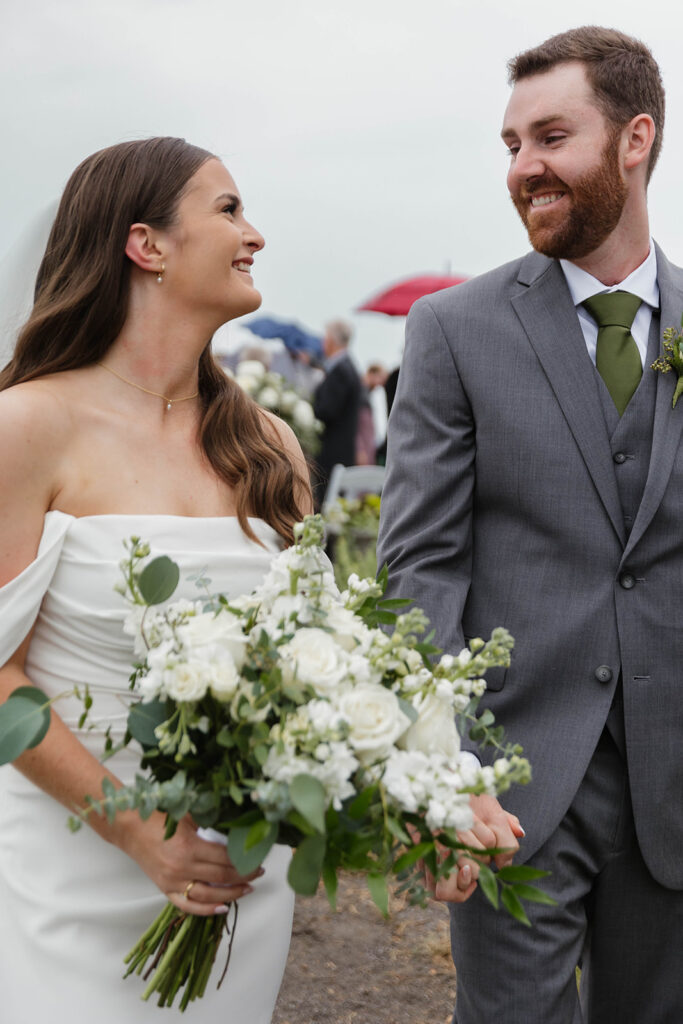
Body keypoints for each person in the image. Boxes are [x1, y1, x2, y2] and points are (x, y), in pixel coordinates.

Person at [377, 27, 683, 1023]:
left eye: (549, 136)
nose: (522, 169)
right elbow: (417, 565)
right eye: (509, 143)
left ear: (633, 140)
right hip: (510, 794)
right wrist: (442, 766)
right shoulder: (454, 330)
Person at [0, 137, 313, 1023]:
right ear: (147, 245)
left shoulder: (266, 445)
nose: (253, 235)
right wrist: (135, 829)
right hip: (74, 868)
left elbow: (315, 651)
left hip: (234, 877)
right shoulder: (26, 426)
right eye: (228, 210)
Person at [312, 319, 362, 507]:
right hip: (341, 450)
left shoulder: (341, 371)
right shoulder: (348, 367)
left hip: (332, 452)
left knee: (327, 503)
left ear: (332, 340)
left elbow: (326, 411)